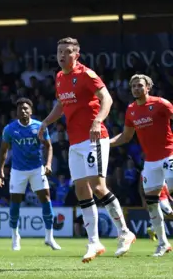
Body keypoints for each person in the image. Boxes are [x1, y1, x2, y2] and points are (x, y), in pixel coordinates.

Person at [38, 37, 135, 263]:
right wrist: (45, 122)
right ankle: (94, 242)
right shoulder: (60, 77)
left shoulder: (87, 75)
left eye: (67, 52)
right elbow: (61, 105)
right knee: (82, 190)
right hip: (75, 142)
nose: (62, 55)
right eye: (59, 51)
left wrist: (97, 121)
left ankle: (125, 232)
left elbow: (107, 99)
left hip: (94, 138)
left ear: (76, 54)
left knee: (98, 186)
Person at [110, 74, 173, 256]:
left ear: (148, 88)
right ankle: (163, 244)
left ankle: (164, 197)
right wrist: (107, 143)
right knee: (151, 204)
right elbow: (126, 136)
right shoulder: (131, 110)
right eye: (134, 86)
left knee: (171, 186)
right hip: (150, 162)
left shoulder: (161, 103)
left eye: (140, 86)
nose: (136, 89)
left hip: (169, 154)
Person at [0, 98, 61, 251]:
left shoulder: (40, 126)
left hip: (36, 169)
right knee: (15, 203)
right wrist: (1, 170)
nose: (23, 111)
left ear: (31, 111)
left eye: (26, 108)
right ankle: (15, 236)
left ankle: (49, 237)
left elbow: (49, 147)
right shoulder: (9, 129)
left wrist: (48, 164)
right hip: (18, 171)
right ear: (16, 112)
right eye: (20, 109)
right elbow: (3, 150)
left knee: (46, 199)